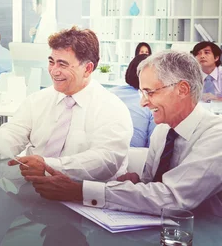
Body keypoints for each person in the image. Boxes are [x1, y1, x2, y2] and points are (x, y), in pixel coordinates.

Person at [25, 51, 222, 217]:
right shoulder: (162, 131)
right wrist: (134, 182)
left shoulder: (216, 136)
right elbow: (149, 187)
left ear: (182, 89)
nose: (143, 103)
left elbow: (172, 198)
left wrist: (79, 191)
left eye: (150, 92)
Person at [0, 27, 133, 182]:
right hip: (33, 192)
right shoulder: (37, 101)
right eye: (51, 62)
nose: (54, 71)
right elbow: (14, 134)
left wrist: (48, 166)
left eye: (63, 64)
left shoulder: (111, 108)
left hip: (85, 200)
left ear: (87, 69)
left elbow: (105, 161)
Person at [109, 54, 156, 147]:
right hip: (136, 156)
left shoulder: (110, 93)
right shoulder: (151, 102)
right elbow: (154, 143)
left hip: (104, 153)